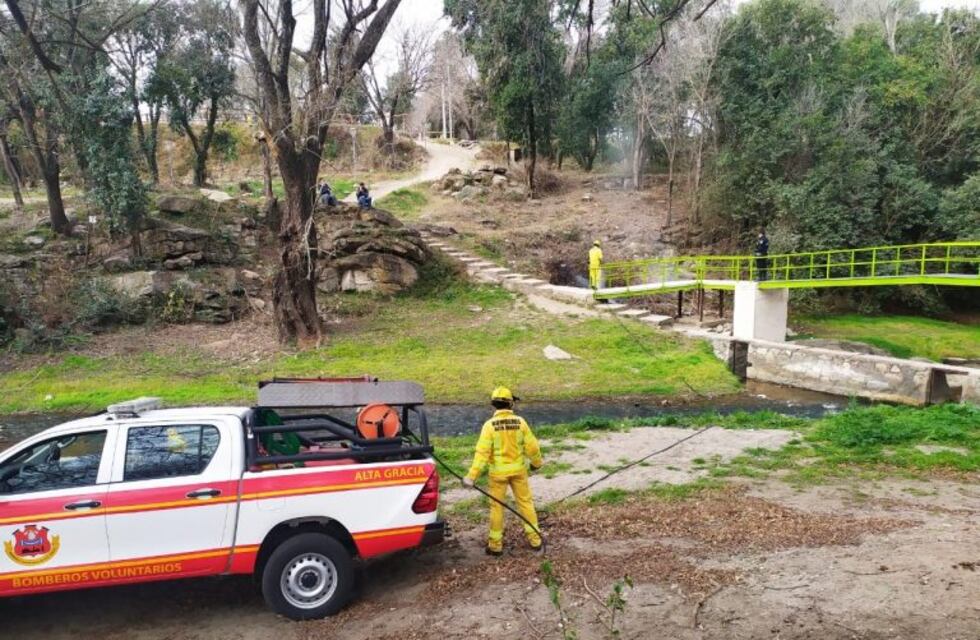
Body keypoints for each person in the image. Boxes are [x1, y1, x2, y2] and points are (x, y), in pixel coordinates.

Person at [463, 387, 543, 556]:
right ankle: (536, 541)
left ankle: (495, 546)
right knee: (525, 504)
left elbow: (482, 453)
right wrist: (536, 463)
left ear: (494, 404)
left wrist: (471, 477)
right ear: (510, 403)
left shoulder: (489, 426)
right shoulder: (520, 422)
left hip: (498, 475)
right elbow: (533, 446)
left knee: (496, 508)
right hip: (519, 472)